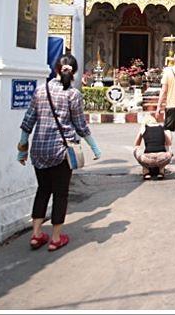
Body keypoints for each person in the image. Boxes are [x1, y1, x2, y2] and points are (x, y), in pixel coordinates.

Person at [17, 54, 102, 252]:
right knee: (61, 194)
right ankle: (56, 237)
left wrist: (22, 150)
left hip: (39, 150)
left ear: (56, 69)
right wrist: (94, 147)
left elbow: (28, 121)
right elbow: (81, 125)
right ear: (74, 73)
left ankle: (36, 234)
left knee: (43, 190)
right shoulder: (73, 95)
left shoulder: (40, 90)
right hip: (61, 151)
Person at [134, 114, 173, 180]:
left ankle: (146, 171)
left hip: (147, 159)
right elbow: (169, 143)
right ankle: (161, 171)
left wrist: (141, 133)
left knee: (135, 149)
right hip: (163, 158)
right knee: (167, 147)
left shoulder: (143, 128)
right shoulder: (161, 128)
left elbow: (136, 144)